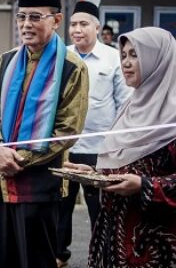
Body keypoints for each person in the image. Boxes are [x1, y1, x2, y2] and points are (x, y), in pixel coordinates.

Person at [0, 0, 89, 268]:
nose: (26, 24)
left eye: (35, 17)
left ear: (56, 20)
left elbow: (68, 131)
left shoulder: (71, 67)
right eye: (21, 17)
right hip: (1, 182)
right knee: (2, 259)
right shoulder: (5, 61)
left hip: (41, 183)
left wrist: (16, 159)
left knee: (37, 260)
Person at [63, 27, 176, 267]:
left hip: (155, 247)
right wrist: (95, 173)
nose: (125, 62)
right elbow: (125, 164)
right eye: (123, 55)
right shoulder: (129, 108)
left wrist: (144, 186)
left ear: (159, 60)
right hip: (113, 240)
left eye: (135, 55)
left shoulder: (173, 117)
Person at [56, 0, 132, 267]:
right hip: (64, 146)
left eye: (83, 24)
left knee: (98, 208)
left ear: (97, 27)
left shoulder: (113, 58)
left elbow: (124, 104)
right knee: (61, 204)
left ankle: (100, 257)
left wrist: (119, 146)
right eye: (73, 24)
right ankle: (59, 254)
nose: (77, 29)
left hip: (100, 149)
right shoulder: (61, 55)